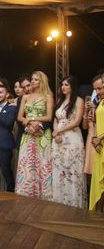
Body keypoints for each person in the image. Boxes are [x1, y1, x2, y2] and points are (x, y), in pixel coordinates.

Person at [15, 70, 54, 200]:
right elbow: (20, 116)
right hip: (28, 134)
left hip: (42, 135)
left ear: (42, 81)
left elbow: (49, 117)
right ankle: (26, 192)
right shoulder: (25, 97)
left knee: (42, 162)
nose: (32, 81)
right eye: (32, 78)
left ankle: (44, 194)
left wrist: (37, 123)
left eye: (36, 79)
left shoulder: (48, 96)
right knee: (27, 162)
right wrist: (28, 123)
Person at [52, 75, 85, 208]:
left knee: (72, 169)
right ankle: (59, 199)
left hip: (72, 138)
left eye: (66, 84)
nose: (63, 87)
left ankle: (73, 202)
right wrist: (55, 134)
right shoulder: (60, 100)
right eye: (62, 84)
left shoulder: (79, 100)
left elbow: (77, 121)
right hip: (59, 139)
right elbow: (55, 119)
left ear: (72, 86)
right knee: (59, 169)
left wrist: (60, 131)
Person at [88, 74, 104, 211]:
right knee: (100, 182)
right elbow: (98, 123)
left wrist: (100, 138)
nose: (98, 92)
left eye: (100, 88)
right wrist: (94, 138)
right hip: (100, 147)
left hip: (102, 142)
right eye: (96, 89)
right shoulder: (101, 102)